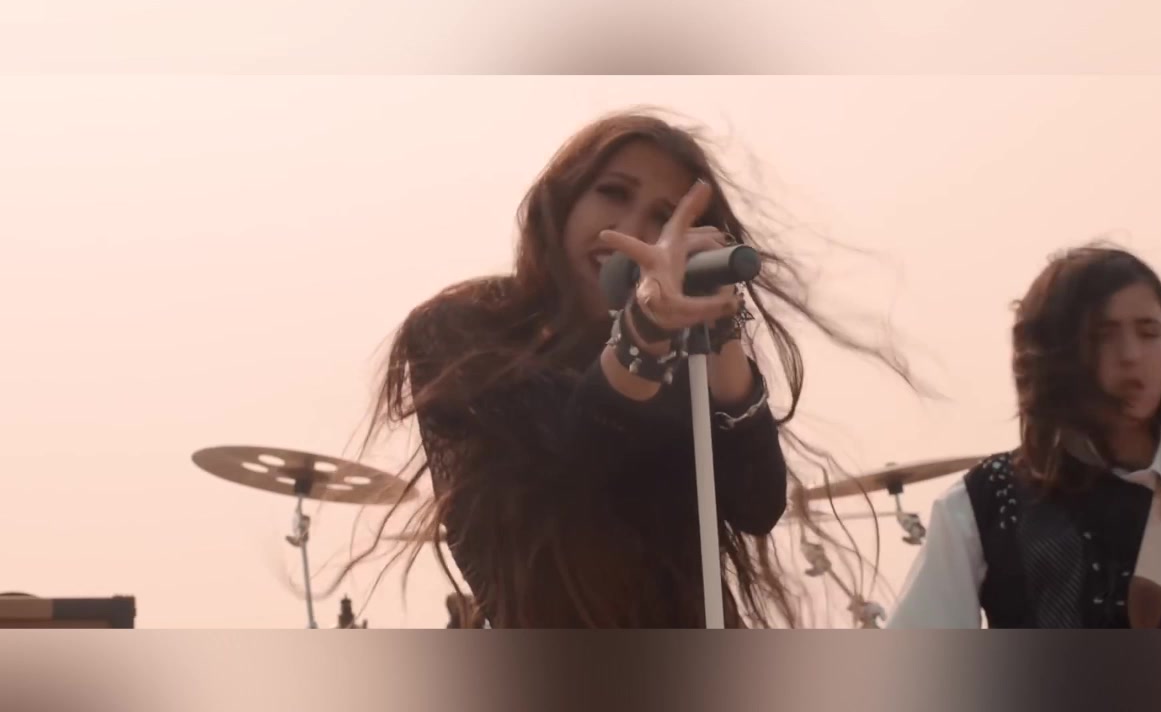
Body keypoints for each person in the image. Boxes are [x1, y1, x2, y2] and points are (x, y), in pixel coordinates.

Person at [341, 111, 912, 628]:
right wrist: (644, 333)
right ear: (563, 198)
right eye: (613, 193)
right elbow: (577, 462)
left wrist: (719, 323)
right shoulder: (465, 329)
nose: (634, 228)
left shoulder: (681, 359)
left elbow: (757, 501)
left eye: (664, 218)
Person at [887, 245, 1161, 629]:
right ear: (1054, 354)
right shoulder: (988, 501)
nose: (1131, 355)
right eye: (1102, 335)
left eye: (1149, 333)